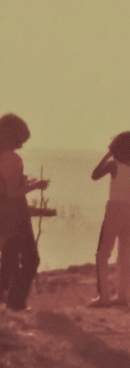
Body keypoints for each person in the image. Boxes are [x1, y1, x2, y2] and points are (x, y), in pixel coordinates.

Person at [90, 130, 130, 307]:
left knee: (103, 255)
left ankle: (104, 298)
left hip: (114, 210)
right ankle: (122, 296)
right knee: (125, 255)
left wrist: (108, 154)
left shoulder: (113, 165)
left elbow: (94, 175)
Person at [0, 113, 49, 312]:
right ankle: (16, 303)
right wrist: (35, 185)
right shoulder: (12, 158)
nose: (21, 146)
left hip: (3, 214)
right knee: (30, 259)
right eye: (21, 140)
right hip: (17, 214)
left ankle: (9, 304)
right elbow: (13, 192)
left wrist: (25, 182)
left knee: (8, 261)